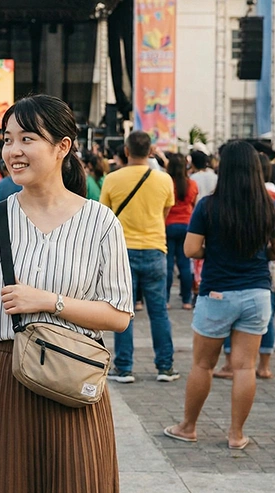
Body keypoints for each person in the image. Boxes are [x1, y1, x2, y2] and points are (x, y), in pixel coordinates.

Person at [0, 94, 133, 492]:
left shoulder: (100, 222)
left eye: (27, 139)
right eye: (7, 139)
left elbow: (119, 315)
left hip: (72, 378)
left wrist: (50, 302)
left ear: (62, 147)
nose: (13, 151)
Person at [162, 141, 275, 449]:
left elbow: (191, 249)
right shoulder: (269, 205)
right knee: (245, 367)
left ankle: (188, 426)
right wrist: (259, 252)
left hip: (217, 291)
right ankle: (236, 434)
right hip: (257, 293)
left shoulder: (209, 205)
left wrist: (215, 250)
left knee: (203, 364)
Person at [100, 131, 179, 384]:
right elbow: (165, 211)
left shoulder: (112, 179)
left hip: (122, 251)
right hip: (156, 248)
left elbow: (106, 215)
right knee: (159, 312)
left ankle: (124, 367)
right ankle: (164, 367)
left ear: (126, 151)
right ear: (151, 151)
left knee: (123, 311)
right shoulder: (164, 180)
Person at [164, 152, 198, 310]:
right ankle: (186, 300)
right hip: (186, 226)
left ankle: (166, 300)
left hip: (168, 225)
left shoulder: (166, 183)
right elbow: (193, 205)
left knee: (168, 264)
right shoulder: (192, 184)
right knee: (184, 264)